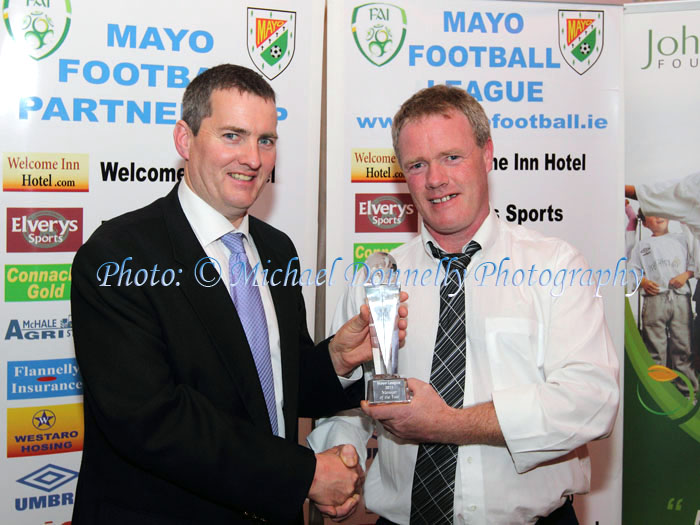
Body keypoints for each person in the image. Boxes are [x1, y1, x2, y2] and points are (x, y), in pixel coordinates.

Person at [70, 64, 406, 524]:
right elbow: (153, 421)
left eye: (266, 140)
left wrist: (337, 359)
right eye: (233, 135)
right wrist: (304, 475)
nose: (253, 157)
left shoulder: (275, 248)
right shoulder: (118, 255)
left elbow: (271, 390)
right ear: (184, 140)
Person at [308, 85, 619, 524]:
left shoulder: (555, 266)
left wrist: (449, 423)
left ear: (487, 154)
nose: (436, 179)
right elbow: (348, 406)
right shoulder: (376, 279)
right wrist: (342, 459)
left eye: (452, 157)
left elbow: (591, 402)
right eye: (418, 165)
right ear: (403, 175)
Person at [628, 212, 698, 395]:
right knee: (654, 349)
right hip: (654, 301)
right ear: (644, 223)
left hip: (680, 299)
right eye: (651, 215)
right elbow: (632, 270)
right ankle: (657, 393)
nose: (658, 217)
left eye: (661, 213)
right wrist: (642, 281)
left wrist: (685, 275)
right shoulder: (642, 246)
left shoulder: (682, 239)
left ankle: (687, 393)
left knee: (683, 348)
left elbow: (694, 263)